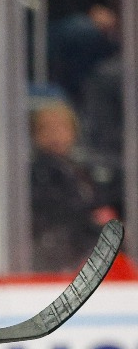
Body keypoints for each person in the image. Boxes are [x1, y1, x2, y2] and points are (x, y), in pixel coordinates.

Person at [30, 100, 117, 273]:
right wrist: (91, 218)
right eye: (47, 129)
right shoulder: (37, 172)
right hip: (60, 256)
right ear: (35, 134)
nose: (55, 135)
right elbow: (54, 211)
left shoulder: (80, 170)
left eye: (62, 128)